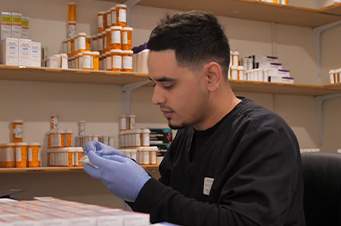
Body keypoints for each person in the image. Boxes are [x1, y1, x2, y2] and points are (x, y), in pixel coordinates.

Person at [84, 11, 306, 226]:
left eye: (168, 84)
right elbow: (172, 209)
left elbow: (242, 221)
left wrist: (144, 189)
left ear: (210, 77)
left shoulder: (264, 136)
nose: (156, 98)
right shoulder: (187, 133)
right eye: (154, 84)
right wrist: (132, 186)